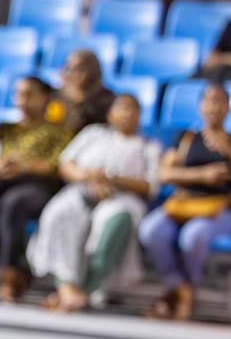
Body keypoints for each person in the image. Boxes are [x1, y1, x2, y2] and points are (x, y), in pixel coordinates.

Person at [138, 82, 231, 321]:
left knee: (193, 237)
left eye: (220, 102)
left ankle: (177, 296)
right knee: (151, 230)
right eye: (209, 101)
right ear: (201, 107)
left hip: (218, 208)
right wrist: (202, 175)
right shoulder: (186, 138)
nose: (214, 107)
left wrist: (229, 150)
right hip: (183, 204)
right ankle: (181, 289)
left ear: (228, 108)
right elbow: (164, 174)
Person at [27, 95, 161, 313]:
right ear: (110, 112)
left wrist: (111, 178)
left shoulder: (147, 146)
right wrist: (90, 177)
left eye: (133, 109)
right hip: (82, 187)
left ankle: (84, 291)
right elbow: (65, 164)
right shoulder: (93, 134)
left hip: (122, 197)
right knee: (59, 212)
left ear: (140, 116)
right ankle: (66, 287)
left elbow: (150, 186)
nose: (127, 113)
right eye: (122, 108)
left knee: (115, 222)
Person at [0, 77, 70, 303]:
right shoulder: (4, 128)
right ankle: (5, 262)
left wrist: (24, 166)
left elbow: (58, 164)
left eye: (28, 94)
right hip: (0, 183)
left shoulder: (57, 130)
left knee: (13, 203)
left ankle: (10, 275)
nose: (22, 99)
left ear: (44, 97)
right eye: (18, 94)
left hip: (36, 186)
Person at [49, 49, 115, 134]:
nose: (71, 74)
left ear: (93, 72)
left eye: (79, 69)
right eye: (68, 68)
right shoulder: (55, 96)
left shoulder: (107, 99)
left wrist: (77, 101)